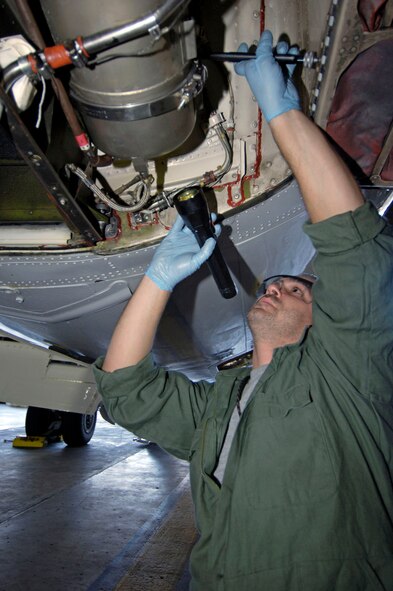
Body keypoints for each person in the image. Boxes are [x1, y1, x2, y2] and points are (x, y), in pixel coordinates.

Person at [93, 30, 393, 591]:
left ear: (325, 325)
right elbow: (125, 392)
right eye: (279, 283)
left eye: (298, 290)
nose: (277, 285)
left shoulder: (348, 379)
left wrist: (282, 115)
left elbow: (356, 248)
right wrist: (158, 280)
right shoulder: (219, 408)